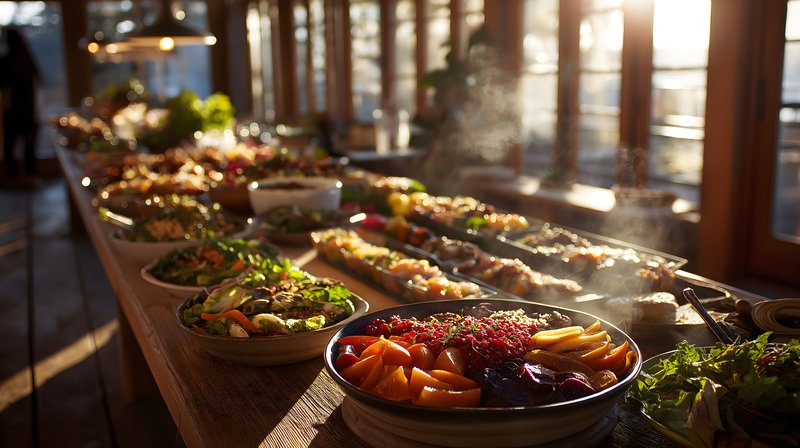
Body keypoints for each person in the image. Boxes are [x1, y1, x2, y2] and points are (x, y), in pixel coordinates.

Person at [0, 27, 41, 188]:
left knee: (9, 147)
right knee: (29, 148)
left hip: (12, 111)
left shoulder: (6, 61)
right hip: (30, 111)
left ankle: (13, 177)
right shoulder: (28, 60)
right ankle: (31, 176)